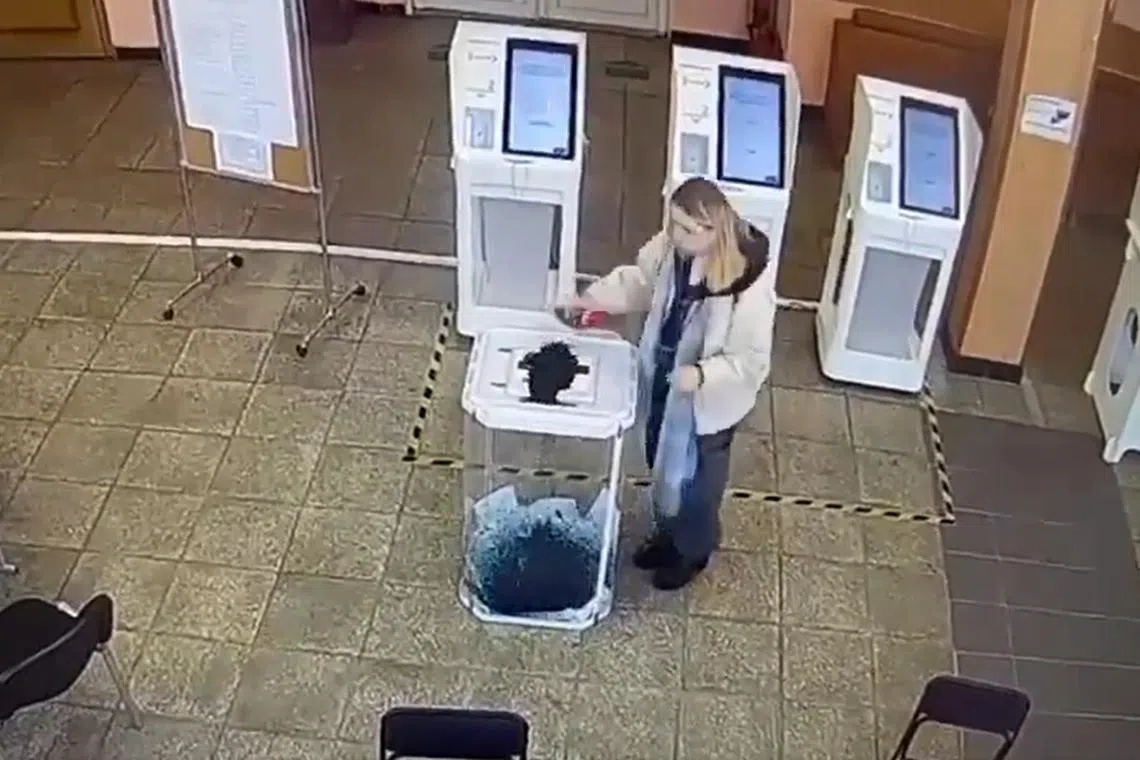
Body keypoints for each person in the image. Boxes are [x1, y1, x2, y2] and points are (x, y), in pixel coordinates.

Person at [567, 176, 776, 591]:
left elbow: (750, 361)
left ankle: (692, 552)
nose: (673, 234)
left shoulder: (747, 287)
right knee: (662, 464)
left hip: (708, 406)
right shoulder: (673, 249)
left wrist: (700, 376)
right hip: (665, 377)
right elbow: (640, 282)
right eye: (673, 222)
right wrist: (595, 298)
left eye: (684, 228)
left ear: (712, 229)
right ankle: (666, 536)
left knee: (697, 484)